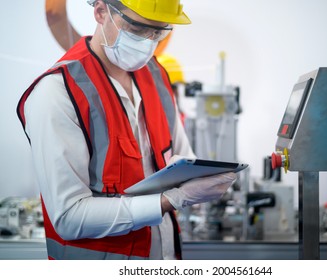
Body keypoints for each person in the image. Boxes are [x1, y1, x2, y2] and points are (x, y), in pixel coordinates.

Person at [16, 0, 236, 260]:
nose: (148, 41)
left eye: (159, 31)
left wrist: (201, 177)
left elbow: (182, 157)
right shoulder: (57, 92)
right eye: (138, 28)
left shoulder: (156, 76)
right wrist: (171, 199)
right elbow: (69, 218)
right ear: (100, 12)